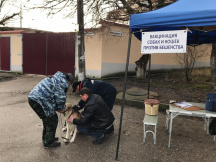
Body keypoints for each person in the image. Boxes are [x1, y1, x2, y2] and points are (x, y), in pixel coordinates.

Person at [28, 71, 74, 148]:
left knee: (47, 119)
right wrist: (61, 109)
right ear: (69, 81)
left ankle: (47, 138)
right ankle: (48, 142)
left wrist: (56, 107)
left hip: (33, 98)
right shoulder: (62, 83)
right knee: (52, 119)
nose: (69, 86)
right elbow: (60, 99)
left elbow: (53, 96)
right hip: (39, 100)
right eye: (70, 84)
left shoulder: (56, 77)